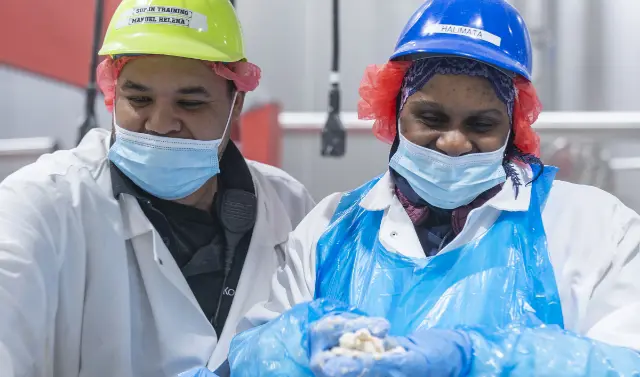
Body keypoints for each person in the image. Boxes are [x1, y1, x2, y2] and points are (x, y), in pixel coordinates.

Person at [226, 0, 640, 376]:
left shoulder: (595, 229)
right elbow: (253, 356)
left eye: (481, 124)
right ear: (395, 113)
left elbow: (625, 362)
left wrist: (480, 357)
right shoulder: (330, 230)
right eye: (431, 118)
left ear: (512, 128)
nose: (454, 142)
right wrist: (300, 343)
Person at [0, 0, 315, 376]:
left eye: (190, 103)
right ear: (113, 94)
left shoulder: (288, 207)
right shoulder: (41, 204)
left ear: (237, 105)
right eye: (139, 99)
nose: (161, 123)